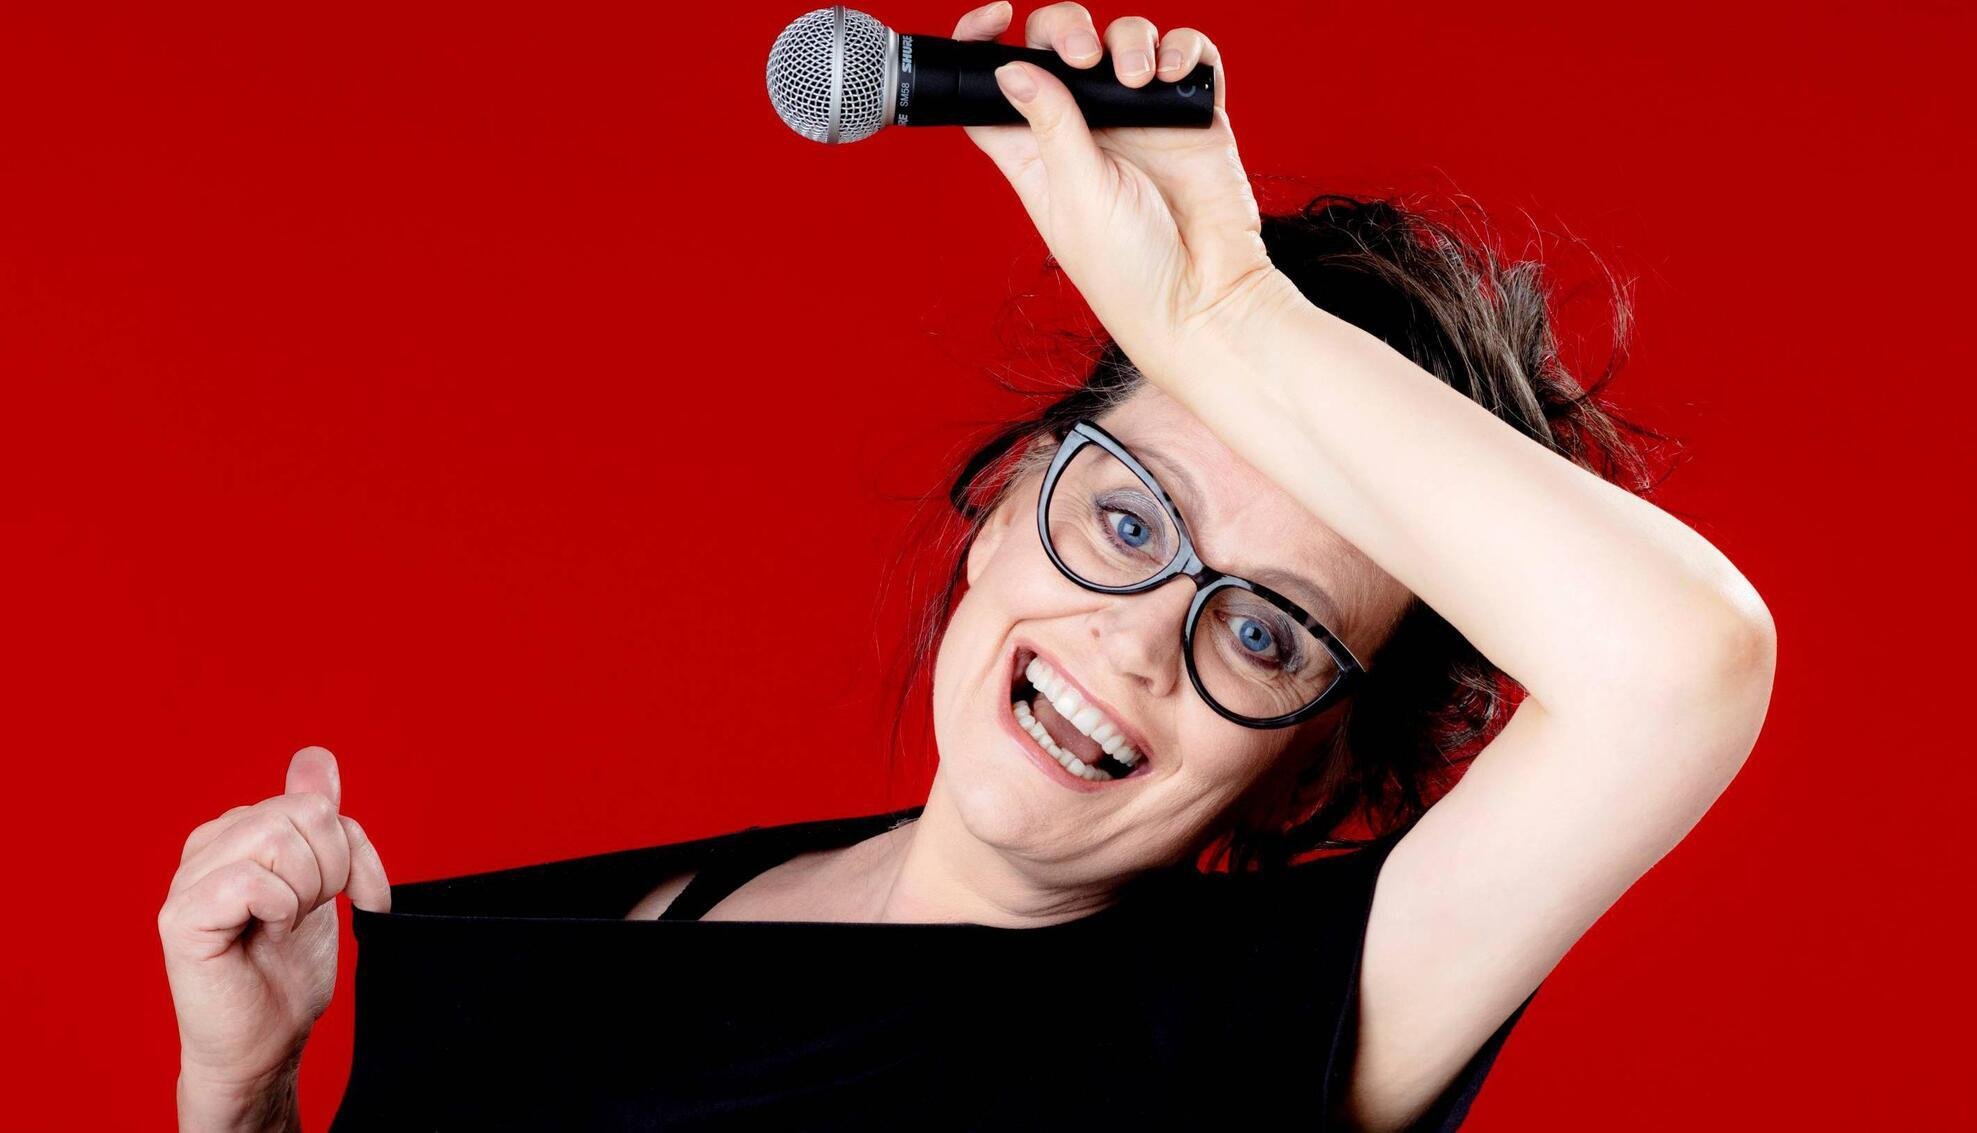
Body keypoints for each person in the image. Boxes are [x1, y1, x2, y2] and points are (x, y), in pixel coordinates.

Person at [157, 4, 1778, 1130]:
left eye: (1267, 636)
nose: (1139, 645)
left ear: (1307, 775)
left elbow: (1679, 667)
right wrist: (243, 1095)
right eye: (1130, 521)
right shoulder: (631, 924)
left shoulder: (1237, 1037)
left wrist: (1216, 314)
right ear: (1004, 503)